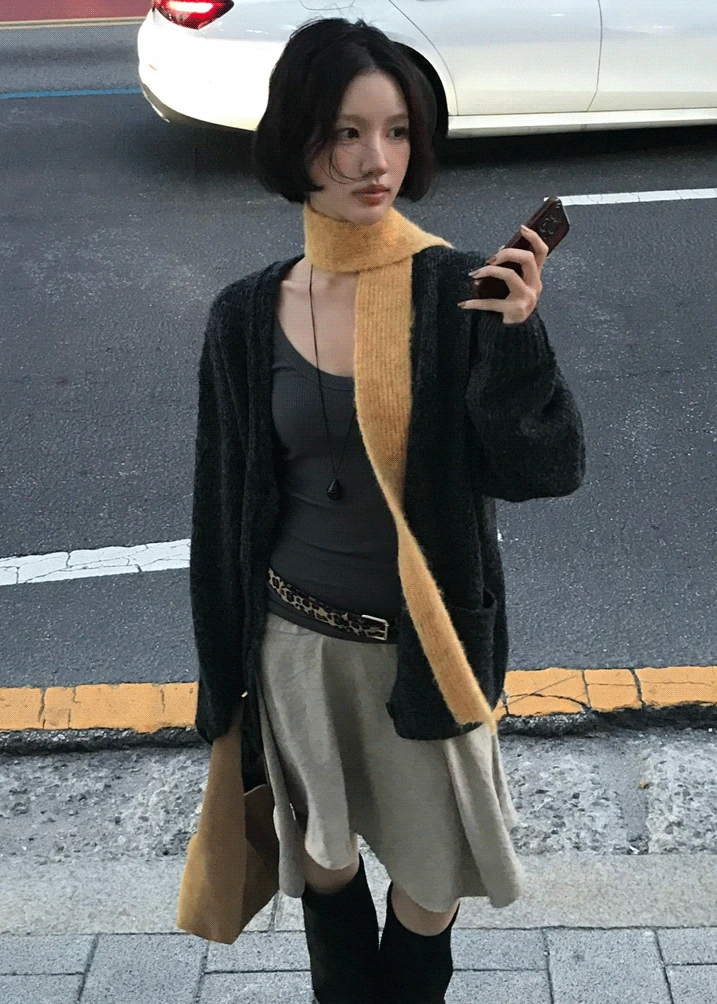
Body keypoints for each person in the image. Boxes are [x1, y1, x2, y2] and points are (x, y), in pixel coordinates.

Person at [189, 15, 586, 1004]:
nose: (378, 160)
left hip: (426, 652)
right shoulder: (244, 314)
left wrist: (518, 340)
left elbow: (544, 467)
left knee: (428, 887)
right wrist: (221, 689)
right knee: (325, 875)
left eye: (398, 131)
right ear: (297, 140)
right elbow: (222, 510)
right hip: (295, 651)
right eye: (348, 132)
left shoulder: (457, 291)